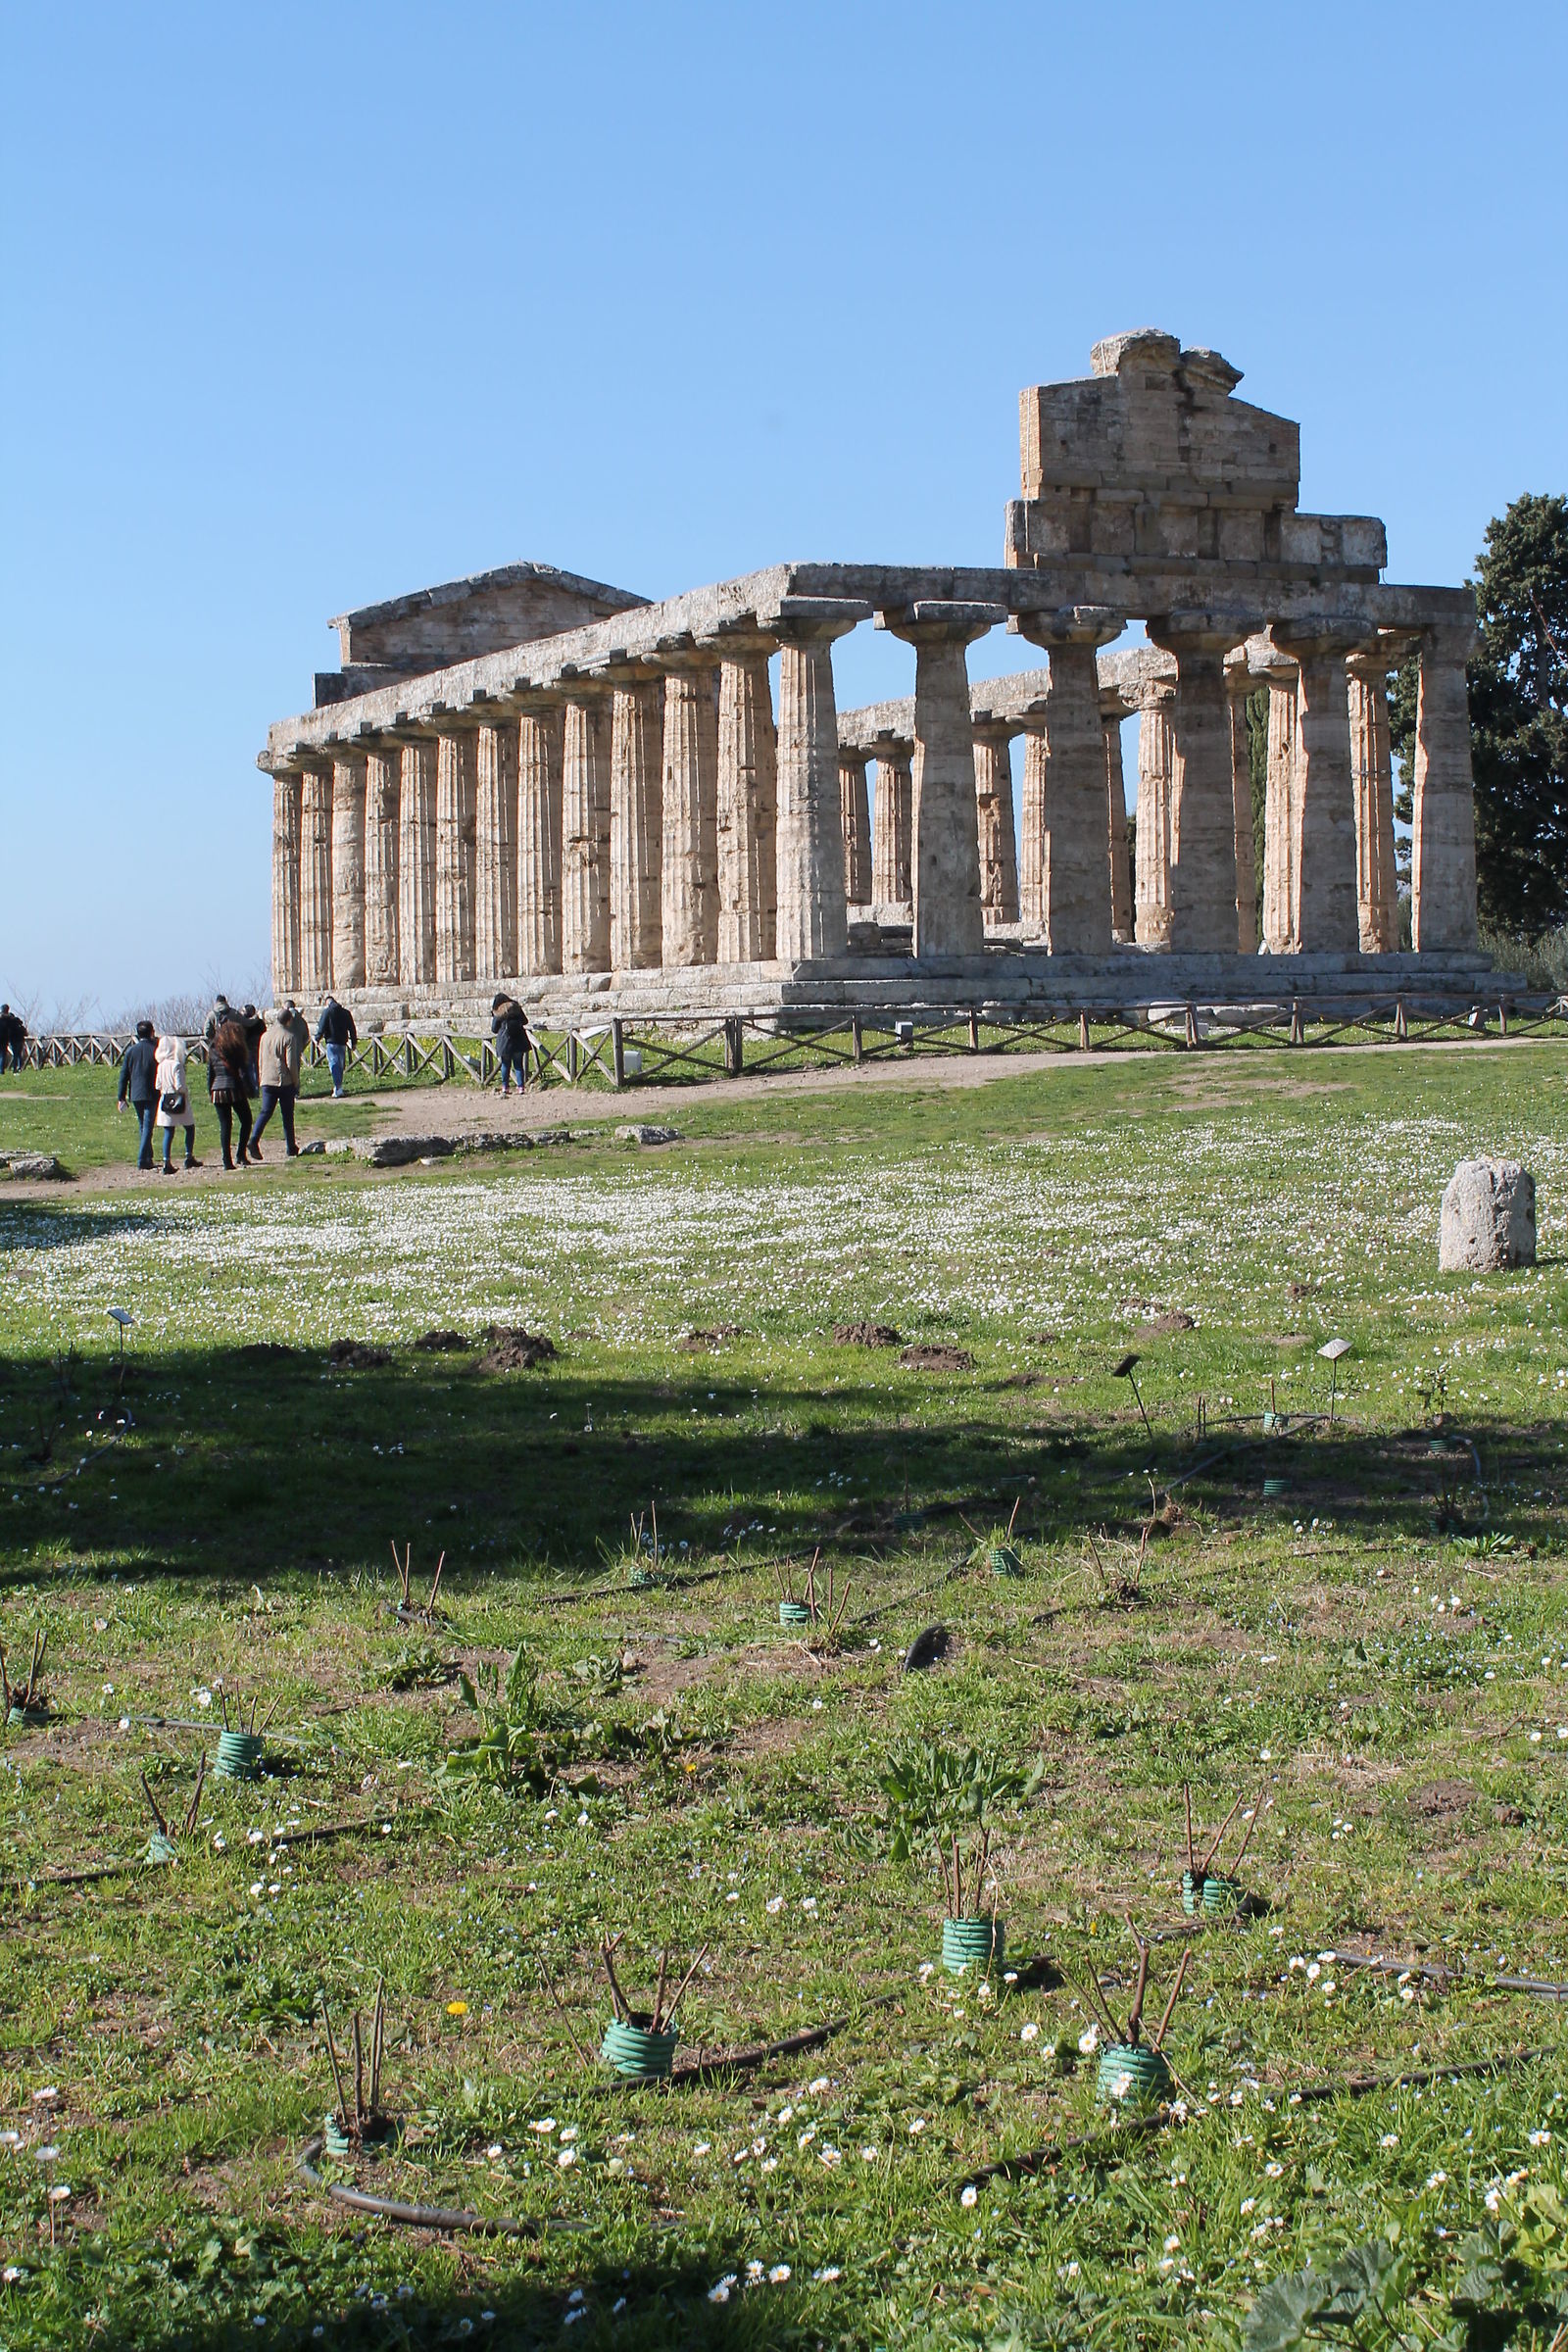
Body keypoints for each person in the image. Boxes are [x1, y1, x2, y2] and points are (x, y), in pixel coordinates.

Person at [252, 1004, 308, 1157]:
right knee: (287, 1115)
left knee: (265, 1112)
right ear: (289, 1021)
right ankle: (290, 1146)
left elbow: (261, 1059)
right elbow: (291, 1063)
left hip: (267, 1079)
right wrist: (296, 1082)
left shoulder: (265, 1036)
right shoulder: (289, 1037)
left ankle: (254, 1138)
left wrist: (261, 1076)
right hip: (283, 1081)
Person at [207, 1014, 255, 1169]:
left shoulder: (213, 1049)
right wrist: (249, 1088)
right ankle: (240, 1154)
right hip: (234, 1088)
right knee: (246, 1120)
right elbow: (243, 1071)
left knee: (225, 1125)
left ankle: (226, 1160)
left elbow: (210, 1074)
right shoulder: (236, 1048)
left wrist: (210, 1091)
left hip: (217, 1089)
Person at [116, 1019, 161, 1171]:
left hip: (135, 1093)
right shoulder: (156, 1050)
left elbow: (124, 1075)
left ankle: (148, 1156)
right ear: (151, 1032)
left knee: (143, 1125)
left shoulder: (131, 1051)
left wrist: (121, 1096)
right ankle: (142, 1158)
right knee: (148, 1126)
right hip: (152, 1092)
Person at [153, 1032, 201, 1173]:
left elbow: (157, 1085)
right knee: (189, 1128)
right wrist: (186, 1091)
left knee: (168, 1131)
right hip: (179, 1099)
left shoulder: (160, 1065)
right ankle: (188, 1156)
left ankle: (166, 1161)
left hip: (165, 1099)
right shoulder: (176, 1065)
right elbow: (179, 1086)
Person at [315, 995, 357, 1098]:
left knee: (333, 1064)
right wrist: (354, 1042)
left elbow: (322, 1026)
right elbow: (352, 1028)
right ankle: (339, 1087)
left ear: (327, 1003)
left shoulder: (327, 1012)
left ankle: (337, 1087)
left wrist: (317, 1038)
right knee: (340, 1065)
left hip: (331, 1042)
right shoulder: (346, 1012)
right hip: (342, 1042)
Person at [491, 993, 531, 1095]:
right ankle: (521, 1087)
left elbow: (494, 1029)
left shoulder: (499, 1011)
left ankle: (505, 1087)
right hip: (519, 1040)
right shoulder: (516, 1007)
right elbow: (525, 1021)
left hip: (505, 1042)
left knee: (505, 1065)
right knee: (518, 1065)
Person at [239, 1003, 266, 1094]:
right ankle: (257, 1088)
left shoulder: (244, 1023)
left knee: (250, 1069)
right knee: (258, 1068)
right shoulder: (260, 1022)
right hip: (259, 1047)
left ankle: (253, 1090)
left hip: (248, 1048)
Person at [0, 1004, 25, 1072]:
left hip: (12, 1039)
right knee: (15, 1054)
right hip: (12, 1039)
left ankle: (5, 1069)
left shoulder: (3, 1019)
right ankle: (17, 1068)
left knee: (14, 1054)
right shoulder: (12, 1019)